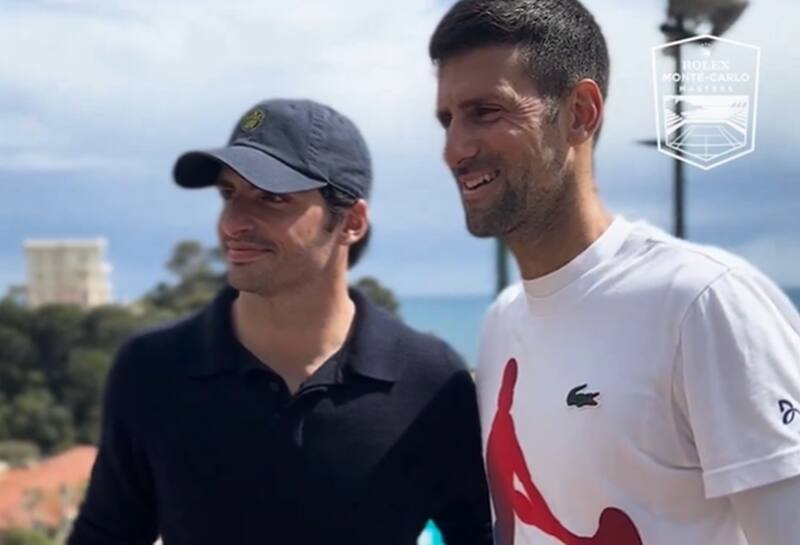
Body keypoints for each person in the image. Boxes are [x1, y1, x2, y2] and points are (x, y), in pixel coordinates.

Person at [428, 1, 800, 544]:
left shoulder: (702, 302)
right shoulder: (501, 323)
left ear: (579, 112)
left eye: (486, 112)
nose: (454, 149)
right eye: (448, 120)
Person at [67, 98, 493, 545]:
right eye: (229, 194)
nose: (234, 222)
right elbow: (106, 534)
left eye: (271, 198)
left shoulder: (428, 380)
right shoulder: (153, 371)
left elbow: (479, 534)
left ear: (351, 221)